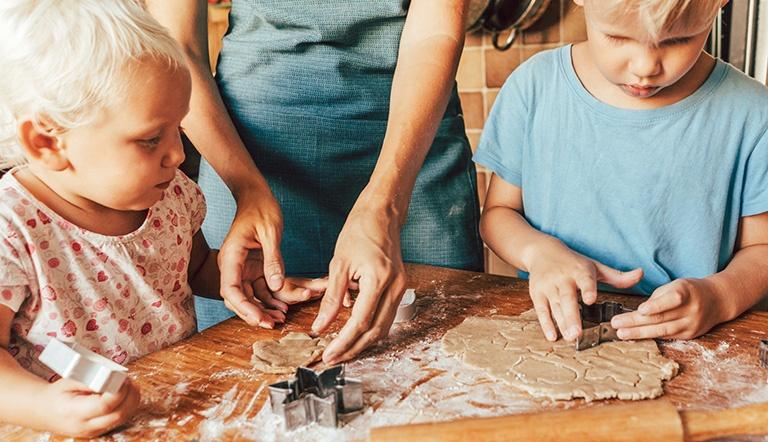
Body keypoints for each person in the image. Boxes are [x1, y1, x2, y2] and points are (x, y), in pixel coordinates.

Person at [0, 1, 323, 436]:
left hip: (172, 412)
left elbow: (188, 268)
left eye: (179, 130)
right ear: (45, 142)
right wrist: (42, 407)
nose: (178, 155)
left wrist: (246, 279)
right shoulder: (12, 228)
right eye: (151, 139)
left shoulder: (169, 195)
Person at [147, 0, 484, 364]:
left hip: (413, 152)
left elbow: (435, 31)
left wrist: (387, 202)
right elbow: (176, 46)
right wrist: (248, 190)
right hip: (244, 158)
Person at [475, 0, 768, 343]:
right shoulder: (534, 87)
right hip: (557, 335)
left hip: (694, 344)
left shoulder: (751, 114)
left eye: (677, 40)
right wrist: (536, 252)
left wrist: (719, 297)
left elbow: (761, 248)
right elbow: (498, 214)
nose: (645, 67)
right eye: (617, 37)